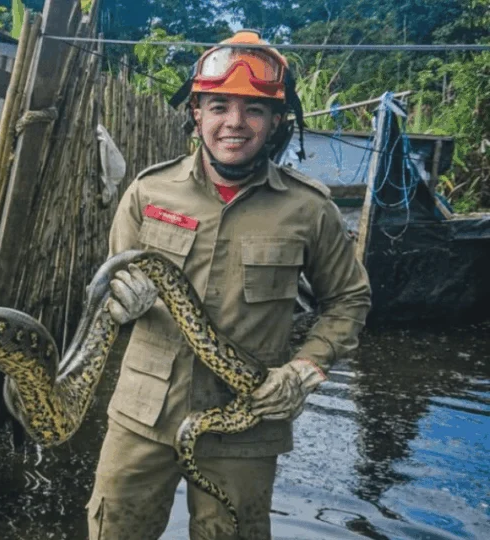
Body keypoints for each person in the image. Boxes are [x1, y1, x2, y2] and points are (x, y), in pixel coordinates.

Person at [87, 30, 373, 539]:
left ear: (278, 121)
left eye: (255, 111)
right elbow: (111, 285)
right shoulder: (147, 191)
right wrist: (117, 300)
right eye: (219, 106)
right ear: (197, 113)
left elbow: (348, 298)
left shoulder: (309, 208)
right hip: (141, 415)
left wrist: (306, 367)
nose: (234, 123)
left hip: (248, 419)